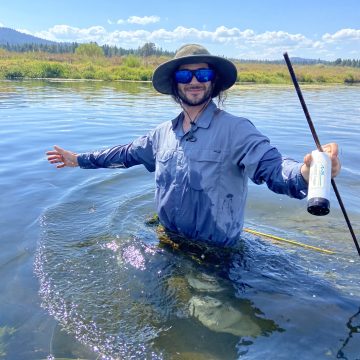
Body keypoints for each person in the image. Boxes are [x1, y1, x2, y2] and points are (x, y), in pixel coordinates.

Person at [46, 44, 341, 248]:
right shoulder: (161, 134)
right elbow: (125, 154)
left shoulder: (236, 130)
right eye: (185, 75)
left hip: (216, 257)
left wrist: (306, 172)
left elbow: (273, 168)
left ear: (214, 82)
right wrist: (79, 160)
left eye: (204, 74)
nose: (195, 81)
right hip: (167, 242)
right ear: (175, 84)